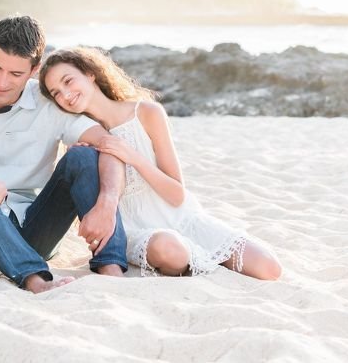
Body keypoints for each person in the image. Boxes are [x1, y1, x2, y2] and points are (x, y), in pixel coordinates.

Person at [38, 46, 282, 280]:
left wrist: (132, 157)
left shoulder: (147, 113)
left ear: (90, 74)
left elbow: (177, 195)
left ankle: (200, 255)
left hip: (180, 218)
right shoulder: (78, 136)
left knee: (268, 268)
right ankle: (190, 258)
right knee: (171, 251)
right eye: (56, 93)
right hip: (135, 230)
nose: (65, 95)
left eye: (68, 81)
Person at [0, 15, 130, 294]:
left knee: (83, 157)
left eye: (15, 74)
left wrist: (107, 203)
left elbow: (108, 143)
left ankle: (111, 267)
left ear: (35, 69)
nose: (1, 82)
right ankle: (34, 278)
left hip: (35, 228)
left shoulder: (48, 104)